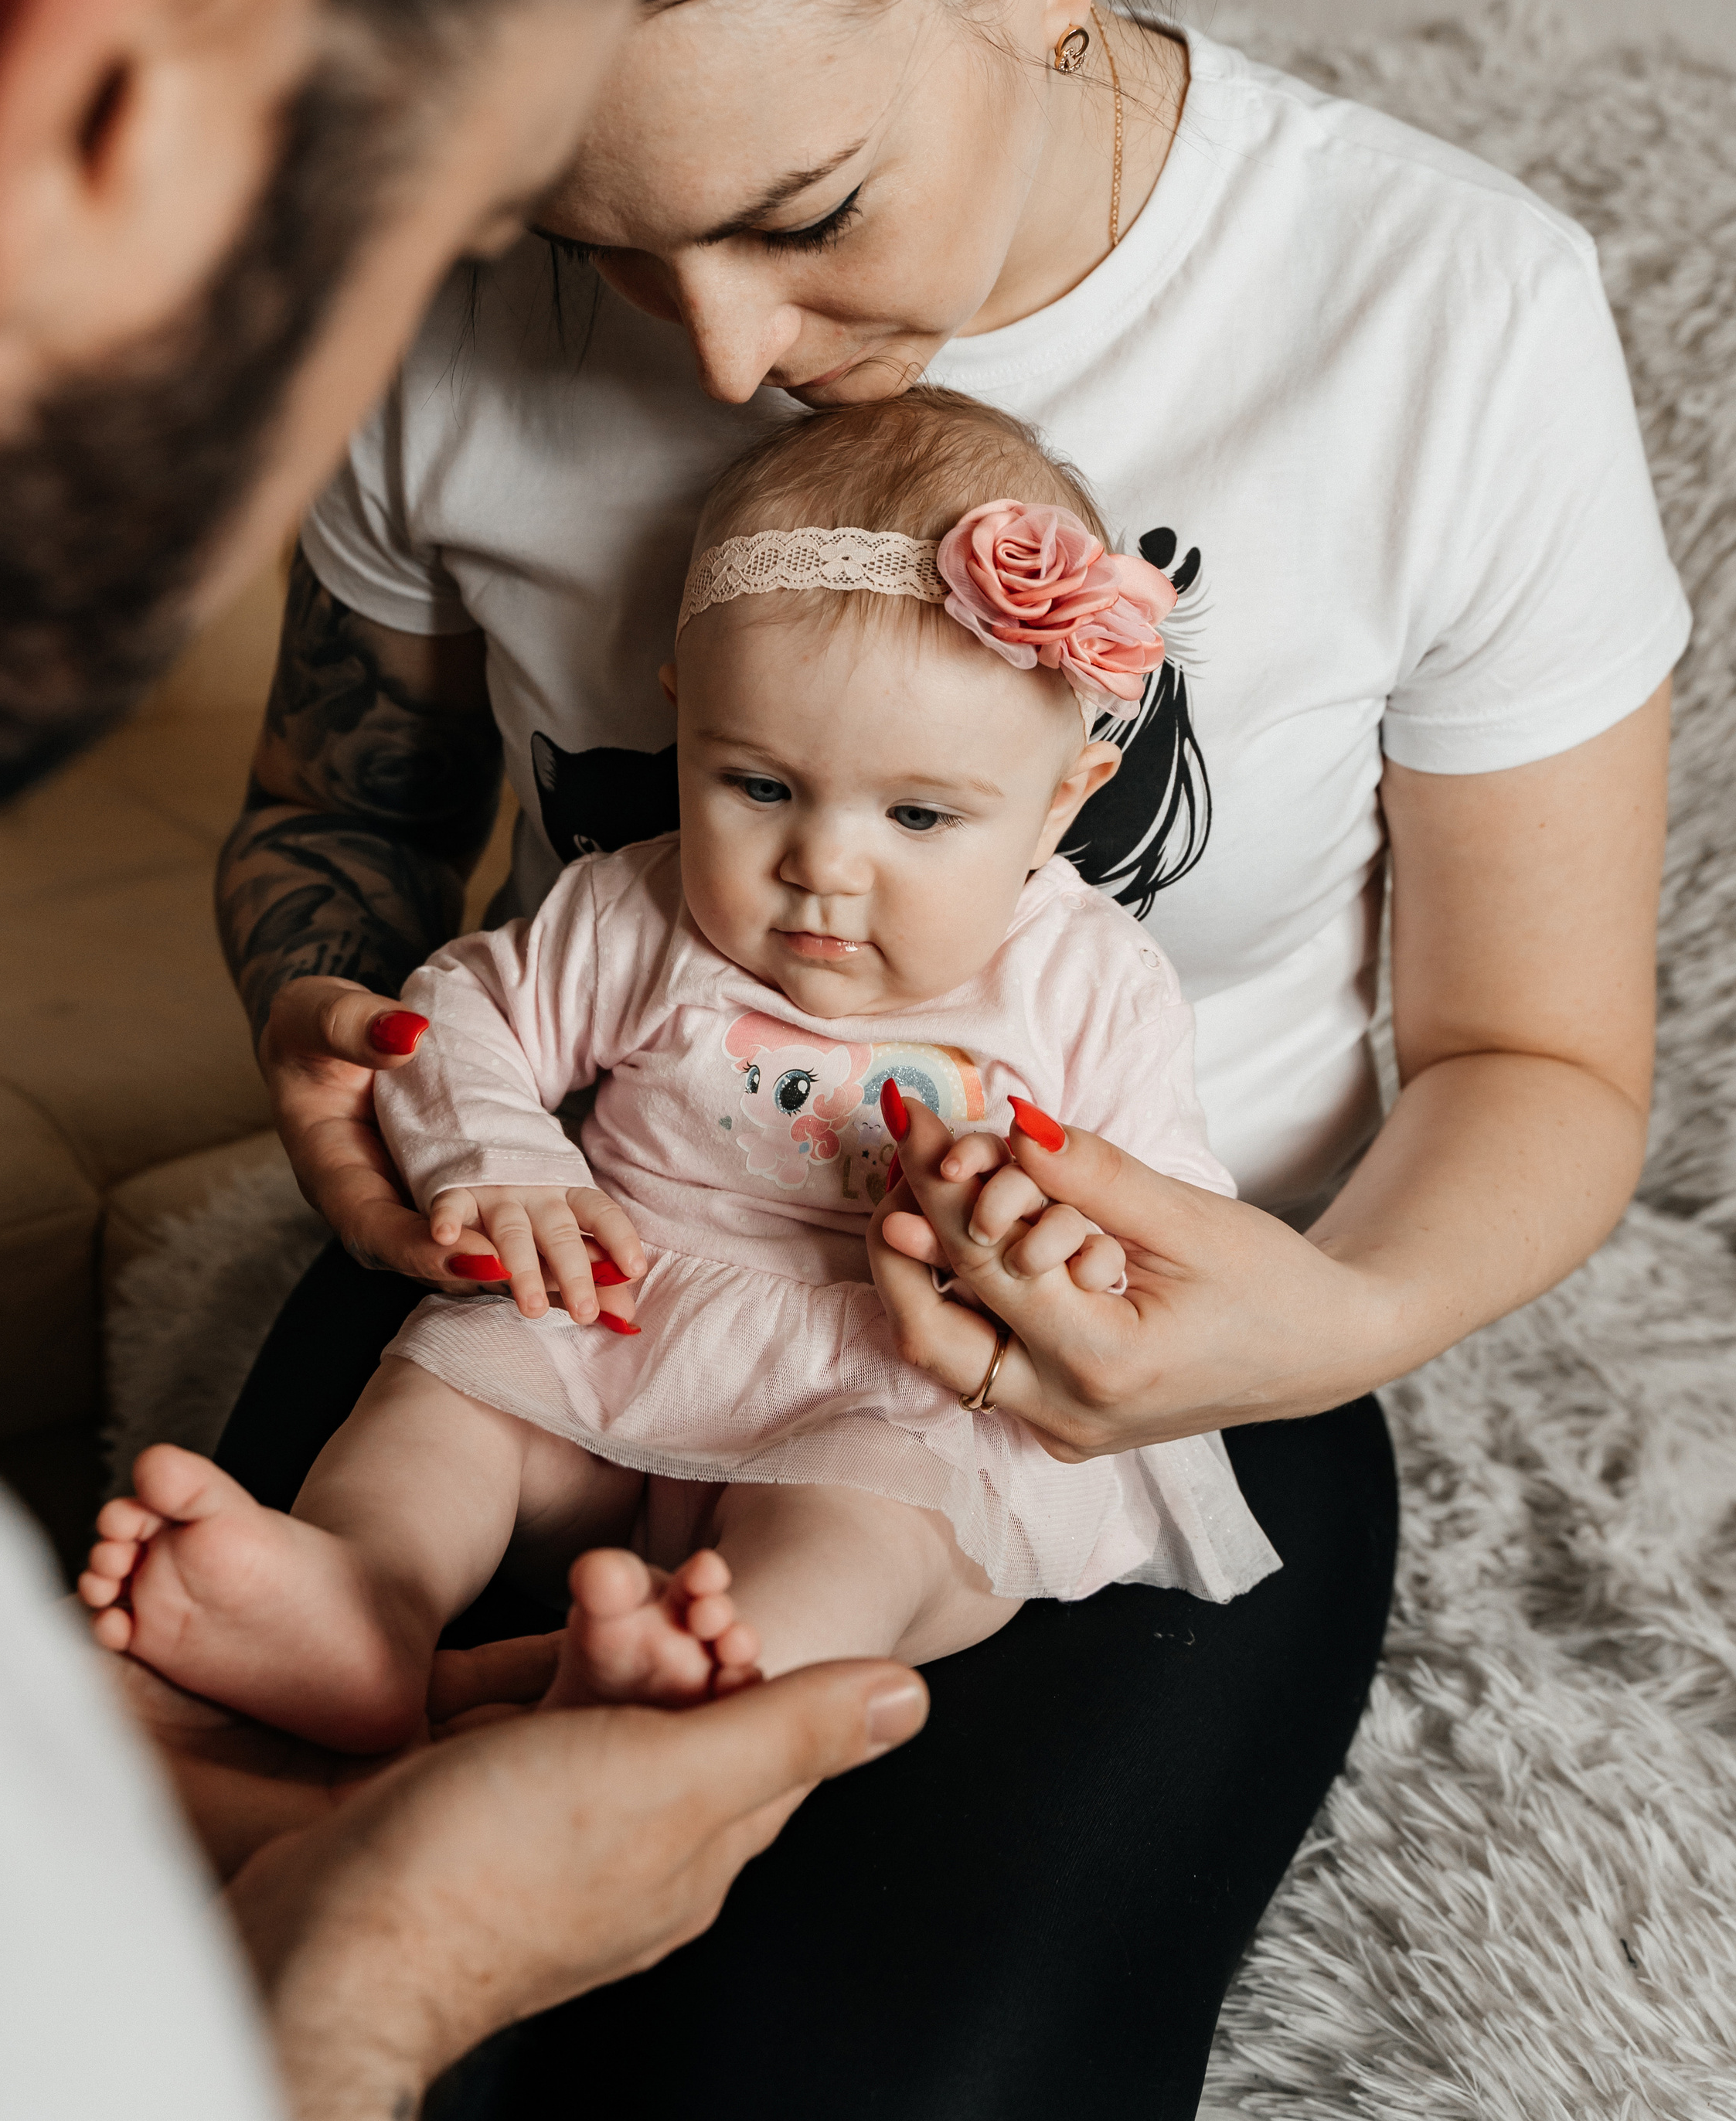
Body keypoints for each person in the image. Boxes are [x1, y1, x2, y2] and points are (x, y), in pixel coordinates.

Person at [212, 0, 1683, 2121]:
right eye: (585, 240)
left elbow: (1539, 1054)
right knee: (185, 2049)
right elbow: (336, 829)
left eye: (801, 215)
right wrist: (342, 1043)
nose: (710, 358)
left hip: (1110, 1366)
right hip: (564, 1247)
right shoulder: (425, 287)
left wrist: (1301, 1333)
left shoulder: (1445, 317)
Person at [0, 0, 937, 2121]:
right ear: (124, 54)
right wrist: (358, 2004)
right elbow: (433, 952)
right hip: (573, 1268)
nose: (715, 366)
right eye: (488, 219)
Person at [83, 390, 1282, 1752]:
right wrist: (507, 1166)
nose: (823, 866)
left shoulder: (1086, 980)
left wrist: (1072, 1252)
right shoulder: (636, 910)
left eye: (919, 815)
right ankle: (363, 1599)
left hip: (903, 1372)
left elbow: (1171, 1205)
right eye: (759, 786)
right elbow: (459, 1015)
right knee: (454, 1389)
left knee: (871, 1519)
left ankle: (720, 1672)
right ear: (683, 725)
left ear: (1063, 795)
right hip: (628, 1315)